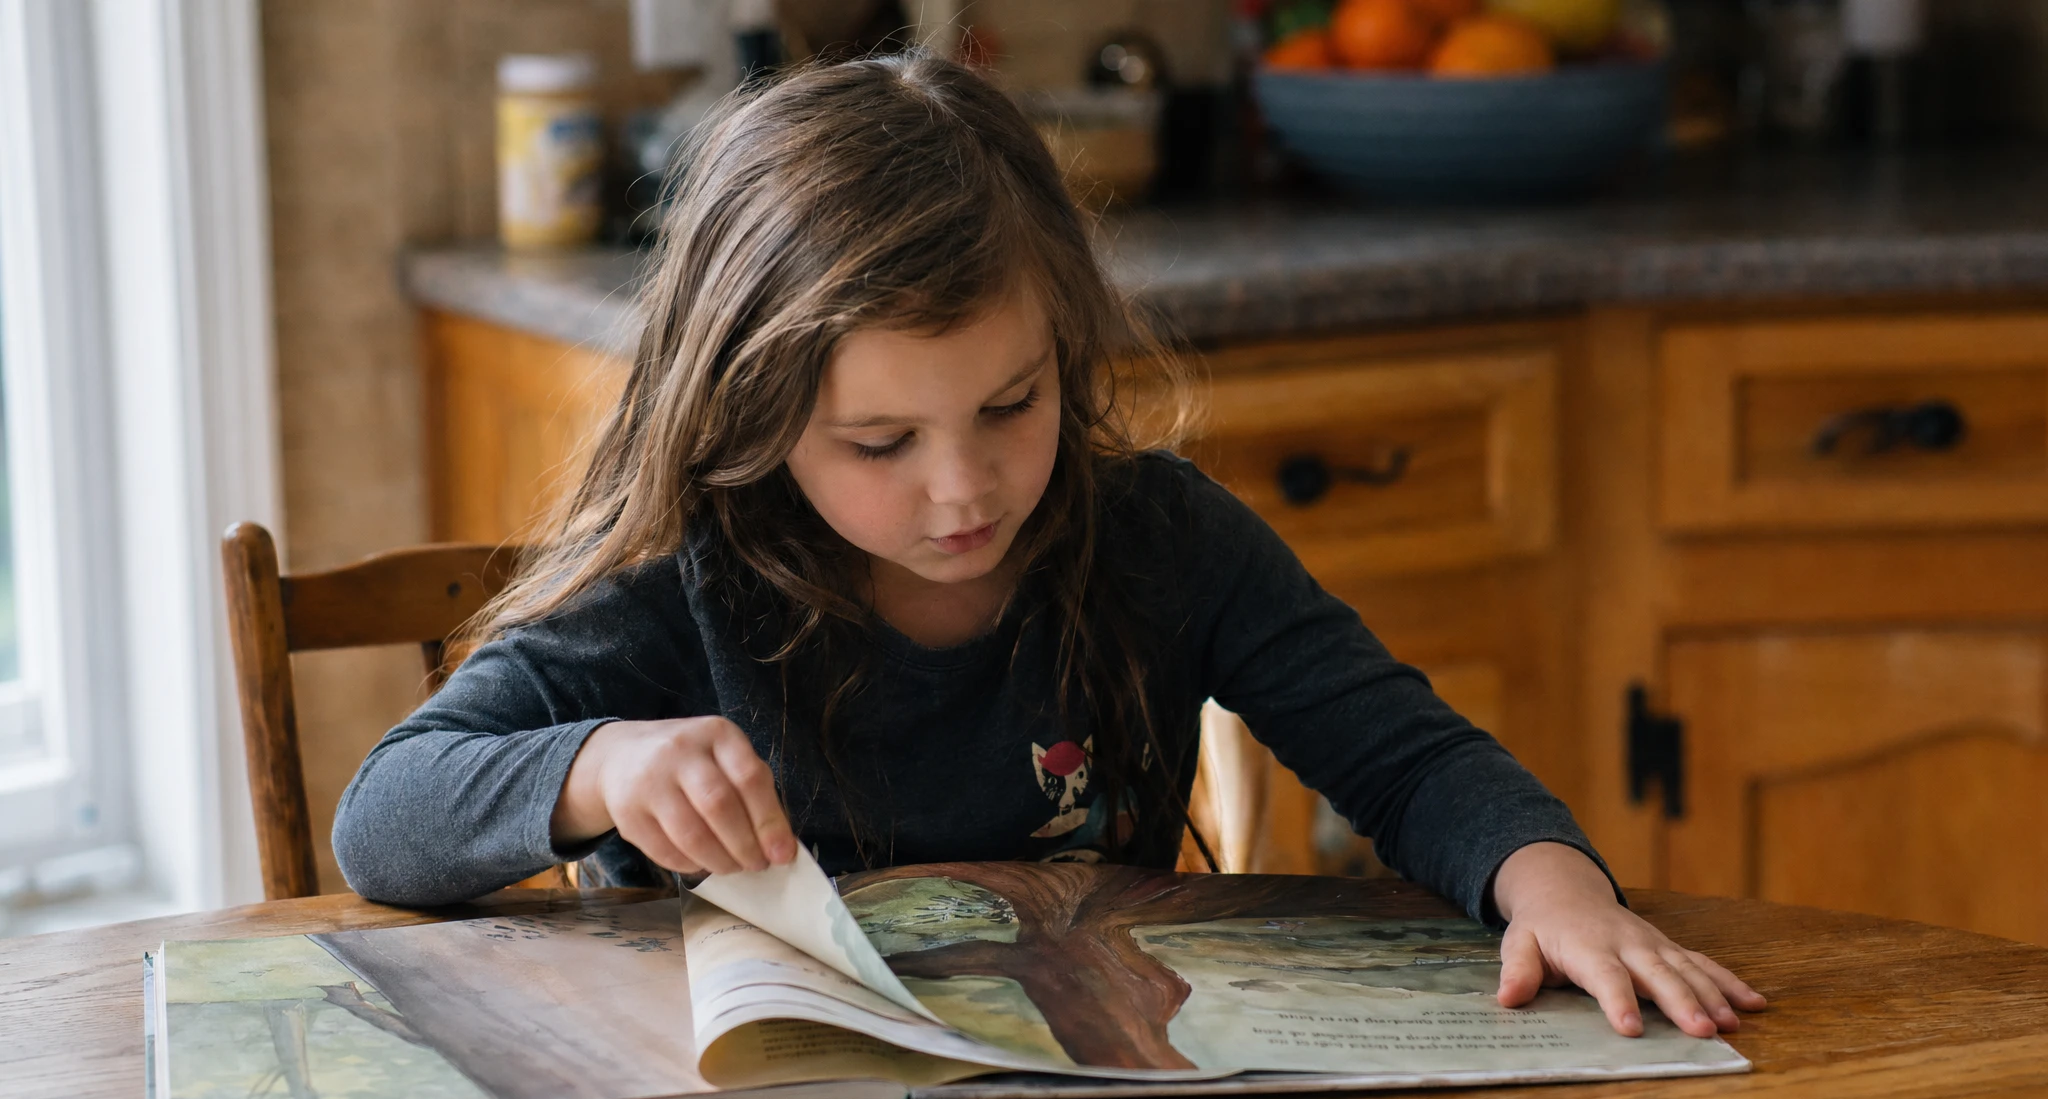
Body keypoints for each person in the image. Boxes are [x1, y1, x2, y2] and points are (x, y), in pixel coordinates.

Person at [334, 52, 1763, 1040]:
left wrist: (1556, 887)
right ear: (753, 418)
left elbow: (1410, 757)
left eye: (1012, 406)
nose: (964, 489)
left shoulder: (1161, 542)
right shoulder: (680, 589)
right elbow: (385, 822)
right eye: (880, 445)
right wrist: (599, 765)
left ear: (1069, 349)